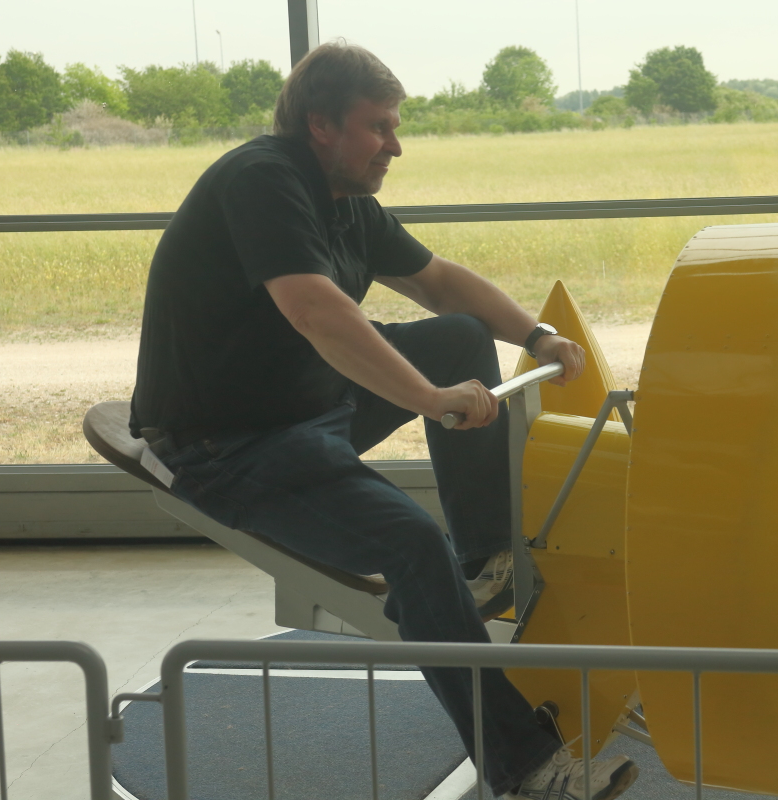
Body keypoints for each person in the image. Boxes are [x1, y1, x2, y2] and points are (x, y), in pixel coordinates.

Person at [129, 42, 639, 800]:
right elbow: (314, 309)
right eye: (379, 126)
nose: (395, 145)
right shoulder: (262, 179)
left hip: (306, 402)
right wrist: (429, 398)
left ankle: (486, 557)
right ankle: (529, 771)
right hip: (226, 445)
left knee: (459, 335)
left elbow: (439, 282)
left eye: (395, 127)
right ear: (321, 124)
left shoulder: (348, 202)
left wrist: (535, 336)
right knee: (410, 546)